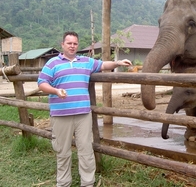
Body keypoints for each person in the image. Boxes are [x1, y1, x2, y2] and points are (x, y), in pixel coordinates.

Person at [37, 31, 132, 187]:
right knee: (62, 152)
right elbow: (42, 83)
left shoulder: (86, 61)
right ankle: (63, 183)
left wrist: (118, 63)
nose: (72, 46)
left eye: (75, 43)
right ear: (63, 45)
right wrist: (55, 91)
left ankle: (87, 183)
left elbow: (102, 65)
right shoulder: (52, 63)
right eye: (69, 43)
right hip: (61, 115)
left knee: (86, 150)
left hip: (83, 115)